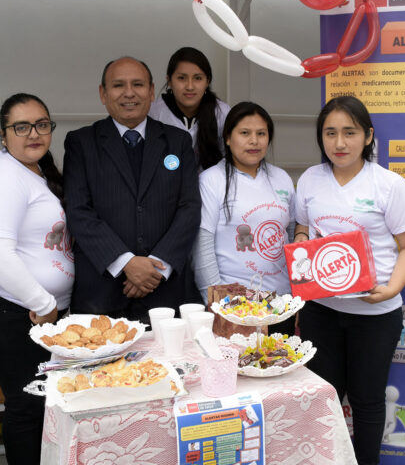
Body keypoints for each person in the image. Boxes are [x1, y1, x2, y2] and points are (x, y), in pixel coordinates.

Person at [294, 96, 405, 465]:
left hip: (376, 314)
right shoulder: (310, 180)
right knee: (324, 397)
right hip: (322, 311)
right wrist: (302, 243)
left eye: (349, 133)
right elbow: (304, 228)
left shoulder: (388, 184)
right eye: (330, 133)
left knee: (367, 401)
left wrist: (392, 288)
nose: (339, 143)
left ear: (368, 136)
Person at [0, 93, 73, 464]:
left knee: (44, 407)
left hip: (39, 314)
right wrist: (44, 304)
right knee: (28, 408)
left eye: (42, 125)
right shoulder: (3, 178)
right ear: (3, 133)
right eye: (22, 126)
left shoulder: (35, 170)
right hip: (17, 315)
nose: (34, 134)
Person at [63, 56, 202, 323]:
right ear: (103, 94)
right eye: (118, 85)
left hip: (166, 292)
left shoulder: (177, 142)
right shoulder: (81, 143)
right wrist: (126, 263)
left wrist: (156, 268)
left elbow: (189, 208)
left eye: (138, 84)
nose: (129, 93)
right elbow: (79, 210)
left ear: (151, 92)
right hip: (102, 294)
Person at [193, 101, 296, 335]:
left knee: (279, 368)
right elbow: (202, 246)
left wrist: (295, 294)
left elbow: (291, 237)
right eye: (245, 133)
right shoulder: (212, 180)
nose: (254, 141)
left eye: (261, 133)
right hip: (234, 304)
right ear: (228, 138)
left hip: (281, 303)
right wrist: (219, 303)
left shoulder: (281, 178)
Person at [149, 46, 230, 171]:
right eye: (182, 78)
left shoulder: (222, 113)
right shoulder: (153, 113)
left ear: (207, 81)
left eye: (198, 78)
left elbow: (230, 160)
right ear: (169, 81)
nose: (190, 86)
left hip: (210, 187)